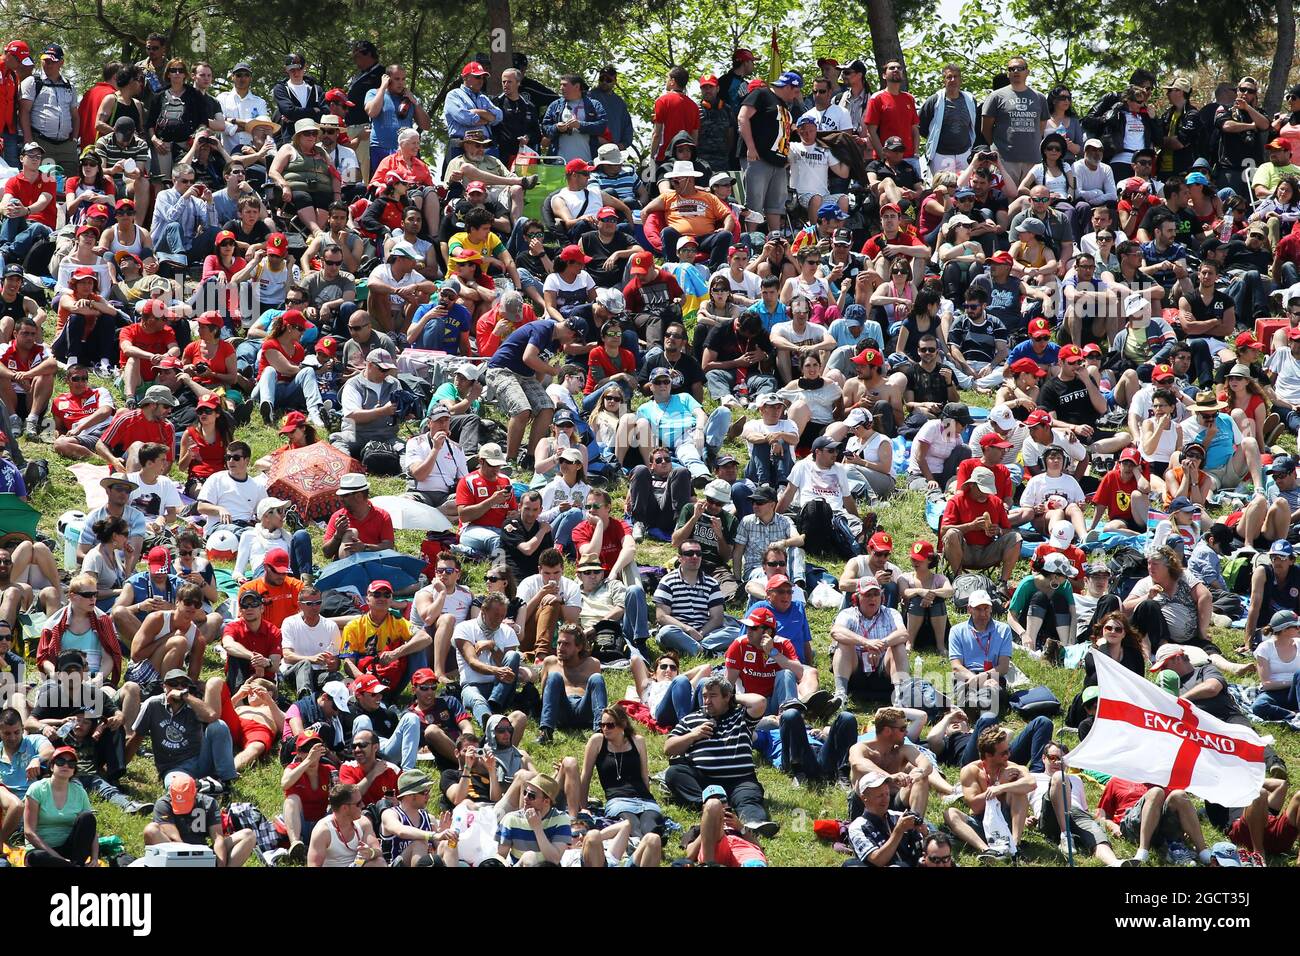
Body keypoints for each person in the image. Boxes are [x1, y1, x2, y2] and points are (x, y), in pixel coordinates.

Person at [663, 674, 779, 838]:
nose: (707, 701)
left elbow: (759, 702)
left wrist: (733, 698)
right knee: (674, 773)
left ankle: (754, 823)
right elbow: (668, 748)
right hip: (704, 780)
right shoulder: (692, 719)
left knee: (748, 797)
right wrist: (693, 735)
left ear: (727, 697)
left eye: (713, 696)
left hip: (740, 779)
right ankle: (710, 807)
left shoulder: (741, 717)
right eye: (704, 696)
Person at [145, 771, 254, 867]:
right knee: (151, 830)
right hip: (174, 853)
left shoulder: (209, 803)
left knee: (248, 835)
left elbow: (217, 838)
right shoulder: (163, 804)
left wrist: (220, 863)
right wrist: (190, 859)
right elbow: (174, 838)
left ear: (195, 792)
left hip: (203, 852)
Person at [830, 578, 907, 708]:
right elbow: (836, 631)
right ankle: (840, 695)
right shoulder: (847, 613)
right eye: (868, 595)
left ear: (882, 597)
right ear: (857, 597)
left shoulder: (891, 613)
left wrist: (881, 645)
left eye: (876, 594)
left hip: (884, 671)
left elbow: (903, 634)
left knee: (898, 645)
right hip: (855, 670)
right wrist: (865, 643)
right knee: (844, 644)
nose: (873, 599)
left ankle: (900, 696)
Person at [738, 71, 800, 232]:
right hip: (758, 158)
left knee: (776, 205)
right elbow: (742, 117)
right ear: (787, 86)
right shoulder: (761, 94)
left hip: (778, 161)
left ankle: (776, 239)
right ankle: (750, 241)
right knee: (754, 203)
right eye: (796, 90)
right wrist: (751, 147)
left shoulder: (784, 104)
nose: (797, 95)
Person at [22, 745, 97, 867]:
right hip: (42, 849)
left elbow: (91, 830)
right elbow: (29, 832)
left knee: (87, 817)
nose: (66, 766)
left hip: (70, 850)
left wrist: (94, 858)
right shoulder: (37, 789)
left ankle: (74, 865)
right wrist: (59, 858)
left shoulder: (79, 791)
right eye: (61, 762)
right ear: (52, 766)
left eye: (71, 763)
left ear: (74, 770)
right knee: (36, 857)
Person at [537, 623, 607, 744]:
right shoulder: (550, 662)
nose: (560, 648)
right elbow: (544, 697)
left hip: (584, 709)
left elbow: (596, 696)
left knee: (596, 678)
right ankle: (546, 732)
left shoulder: (592, 663)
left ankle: (601, 732)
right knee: (554, 676)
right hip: (561, 711)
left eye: (566, 644)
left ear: (579, 647)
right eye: (559, 643)